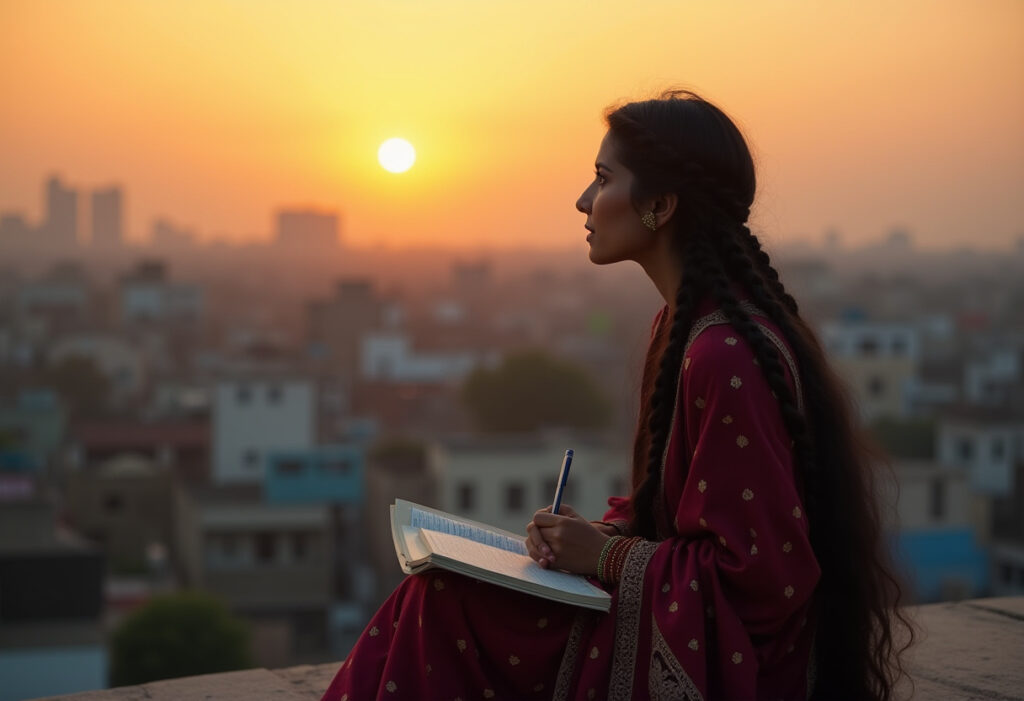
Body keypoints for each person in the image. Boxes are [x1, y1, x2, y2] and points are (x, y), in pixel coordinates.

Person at [321, 90, 912, 701]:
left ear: (659, 205)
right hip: (674, 616)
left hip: (736, 664)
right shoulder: (682, 329)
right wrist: (597, 540)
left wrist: (605, 559)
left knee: (443, 600)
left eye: (603, 179)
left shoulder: (724, 355)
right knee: (440, 591)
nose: (583, 200)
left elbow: (760, 581)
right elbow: (675, 521)